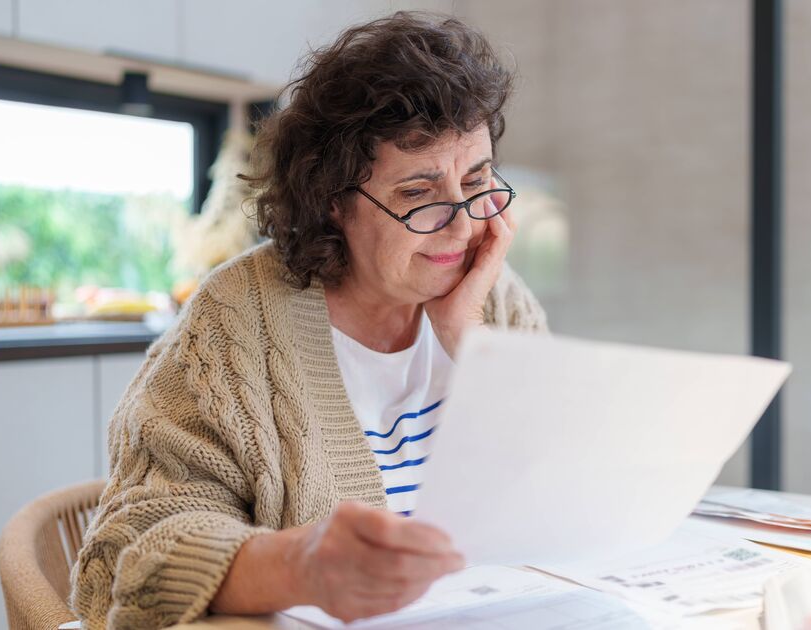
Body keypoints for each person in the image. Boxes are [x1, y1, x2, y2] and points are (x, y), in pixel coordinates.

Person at [69, 12, 546, 628]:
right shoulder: (236, 322)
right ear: (333, 200)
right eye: (418, 194)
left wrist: (474, 347)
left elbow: (568, 489)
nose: (461, 224)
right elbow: (126, 559)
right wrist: (302, 567)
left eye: (477, 180)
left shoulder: (496, 298)